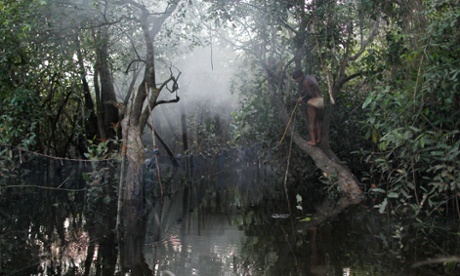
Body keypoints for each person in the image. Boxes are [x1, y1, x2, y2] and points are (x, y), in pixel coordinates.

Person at [292, 70, 324, 146]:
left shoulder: (305, 82)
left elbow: (309, 93)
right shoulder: (310, 77)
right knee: (318, 121)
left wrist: (302, 99)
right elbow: (311, 89)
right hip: (320, 100)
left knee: (312, 121)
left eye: (296, 79)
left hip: (313, 101)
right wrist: (303, 93)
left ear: (299, 77)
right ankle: (318, 139)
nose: (296, 81)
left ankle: (313, 141)